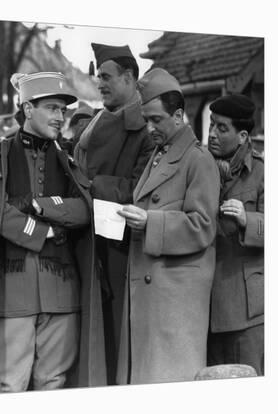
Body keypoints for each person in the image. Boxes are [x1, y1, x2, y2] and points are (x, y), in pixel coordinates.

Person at [0, 72, 106, 396]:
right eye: (52, 108)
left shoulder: (68, 161)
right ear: (28, 108)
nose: (60, 117)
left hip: (63, 292)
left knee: (55, 386)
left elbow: (85, 210)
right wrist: (43, 233)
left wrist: (38, 206)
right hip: (12, 293)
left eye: (63, 110)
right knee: (9, 386)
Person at [116, 68, 220, 384]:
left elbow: (203, 225)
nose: (150, 128)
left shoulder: (198, 159)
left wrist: (150, 221)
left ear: (178, 116)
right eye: (147, 120)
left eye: (156, 120)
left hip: (175, 302)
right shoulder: (161, 155)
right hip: (155, 295)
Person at [73, 43, 154, 384]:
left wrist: (87, 186)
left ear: (129, 77)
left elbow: (141, 190)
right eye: (97, 77)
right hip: (89, 240)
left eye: (105, 77)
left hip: (122, 247)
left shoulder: (148, 127)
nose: (99, 84)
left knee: (117, 337)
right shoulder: (95, 122)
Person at [206, 94, 264, 375]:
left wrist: (247, 220)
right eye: (210, 125)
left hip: (247, 313)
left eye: (221, 128)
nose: (212, 134)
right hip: (205, 307)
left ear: (242, 136)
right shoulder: (201, 167)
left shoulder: (263, 174)